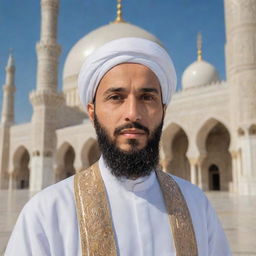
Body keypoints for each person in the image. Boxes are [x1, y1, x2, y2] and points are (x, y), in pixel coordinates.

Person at [5, 37, 231, 256]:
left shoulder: (196, 206)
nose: (132, 113)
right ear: (91, 113)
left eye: (147, 97)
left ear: (164, 111)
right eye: (116, 97)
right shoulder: (47, 214)